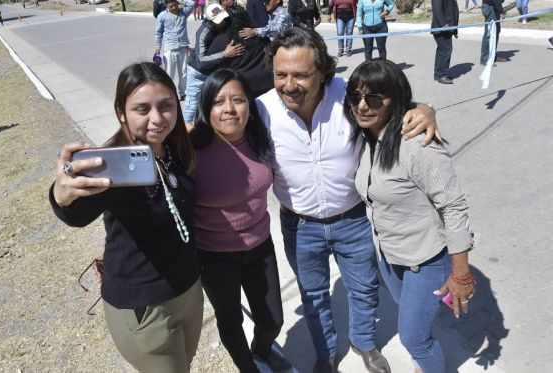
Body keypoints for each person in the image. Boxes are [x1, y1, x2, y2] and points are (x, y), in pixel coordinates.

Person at [256, 27, 438, 373]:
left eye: (301, 75)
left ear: (324, 72)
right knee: (313, 297)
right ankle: (325, 352)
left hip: (352, 219)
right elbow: (216, 130)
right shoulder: (261, 110)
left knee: (364, 288)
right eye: (281, 74)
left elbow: (396, 105)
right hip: (299, 225)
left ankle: (364, 343)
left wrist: (426, 108)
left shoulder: (350, 97)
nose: (289, 85)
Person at [49, 62, 202, 373]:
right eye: (142, 109)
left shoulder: (175, 148)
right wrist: (61, 194)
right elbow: (77, 212)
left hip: (188, 291)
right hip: (145, 307)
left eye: (166, 106)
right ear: (121, 112)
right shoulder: (112, 163)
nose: (157, 119)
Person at [346, 59, 475, 373]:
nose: (363, 106)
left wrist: (460, 275)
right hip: (389, 258)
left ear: (395, 101)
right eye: (356, 97)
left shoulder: (418, 144)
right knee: (415, 323)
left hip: (426, 262)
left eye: (374, 99)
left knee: (414, 338)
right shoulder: (366, 137)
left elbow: (454, 207)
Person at [191, 68, 292, 373]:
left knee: (272, 319)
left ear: (250, 104)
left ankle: (261, 348)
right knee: (231, 320)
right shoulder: (191, 147)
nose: (229, 109)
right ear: (207, 108)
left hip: (260, 245)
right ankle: (247, 367)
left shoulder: (262, 135)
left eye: (238, 99)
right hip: (213, 255)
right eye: (219, 101)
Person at [183, 4, 245, 125]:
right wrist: (225, 54)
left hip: (213, 73)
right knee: (191, 107)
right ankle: (184, 137)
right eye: (218, 20)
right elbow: (201, 62)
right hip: (197, 74)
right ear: (210, 21)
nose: (222, 22)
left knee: (209, 106)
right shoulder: (203, 33)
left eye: (223, 18)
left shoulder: (224, 24)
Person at [207, 5, 274, 97]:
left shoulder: (221, 41)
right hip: (266, 85)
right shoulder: (259, 37)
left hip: (240, 88)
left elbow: (210, 64)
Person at [155, 0, 195, 101]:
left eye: (175, 5)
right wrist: (158, 46)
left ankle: (183, 93)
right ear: (166, 5)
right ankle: (169, 94)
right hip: (170, 48)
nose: (173, 8)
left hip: (183, 47)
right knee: (169, 73)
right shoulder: (162, 16)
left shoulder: (183, 13)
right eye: (171, 6)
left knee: (183, 72)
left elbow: (191, 3)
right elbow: (158, 33)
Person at [431, 0, 459, 84]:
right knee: (446, 50)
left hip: (448, 26)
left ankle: (439, 74)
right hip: (442, 27)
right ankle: (441, 75)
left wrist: (454, 30)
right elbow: (437, 9)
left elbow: (452, 9)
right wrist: (443, 24)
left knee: (442, 50)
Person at [480, 0, 507, 65]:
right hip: (490, 8)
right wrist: (501, 11)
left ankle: (492, 55)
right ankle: (485, 58)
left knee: (496, 32)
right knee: (489, 34)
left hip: (494, 7)